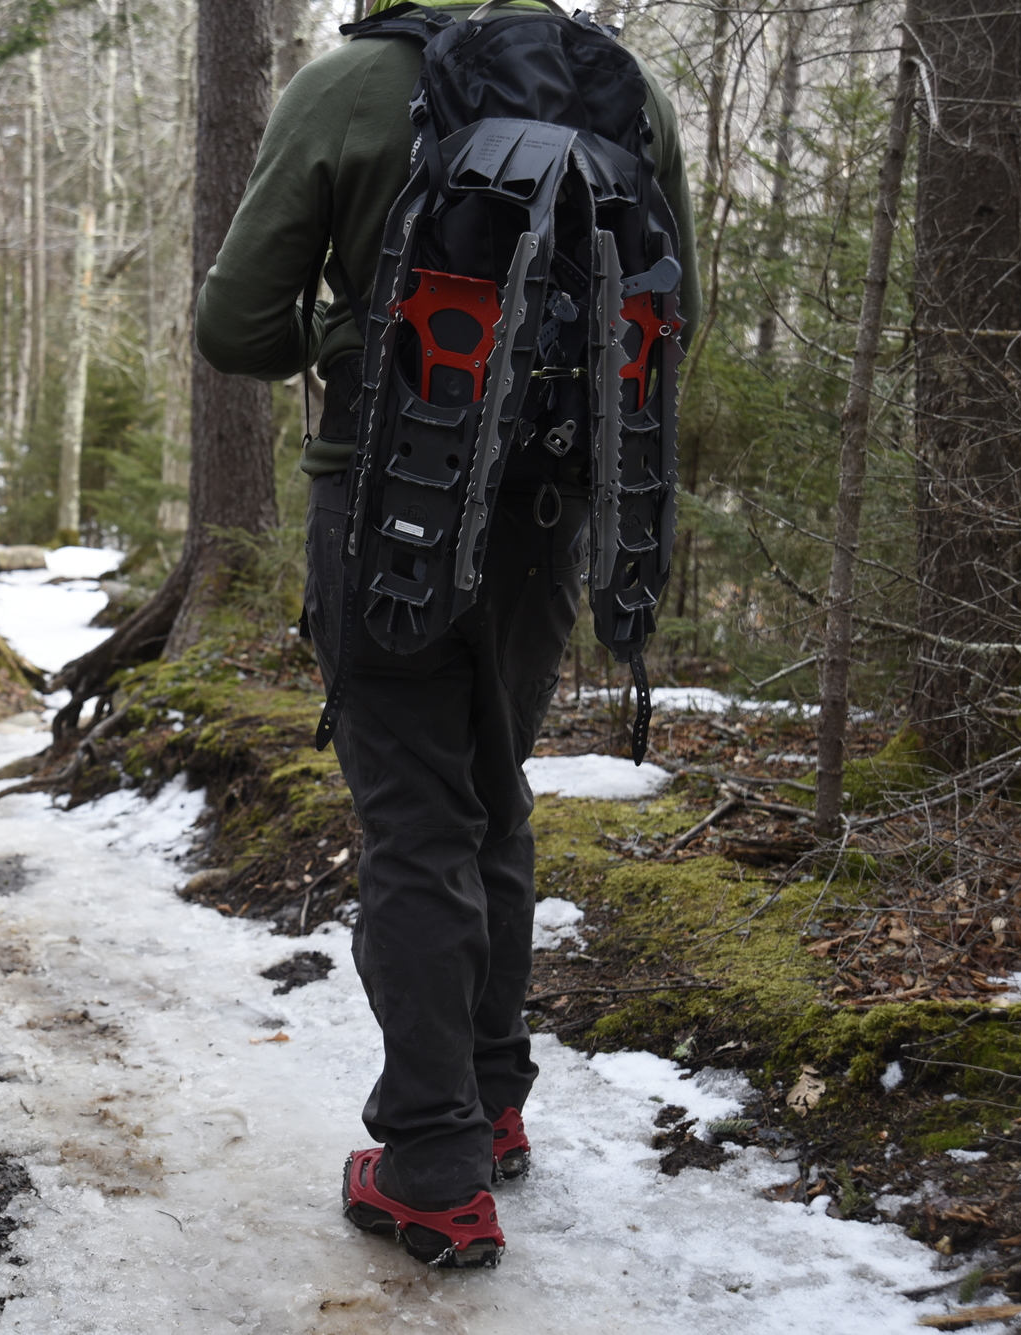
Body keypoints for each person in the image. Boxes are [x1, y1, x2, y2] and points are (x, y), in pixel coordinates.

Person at [194, 0, 699, 1265]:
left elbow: (235, 329)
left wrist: (348, 330)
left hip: (383, 501)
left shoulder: (346, 85)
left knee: (416, 817)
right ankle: (491, 1108)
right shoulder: (618, 85)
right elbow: (670, 306)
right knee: (491, 791)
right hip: (552, 502)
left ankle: (428, 1166)